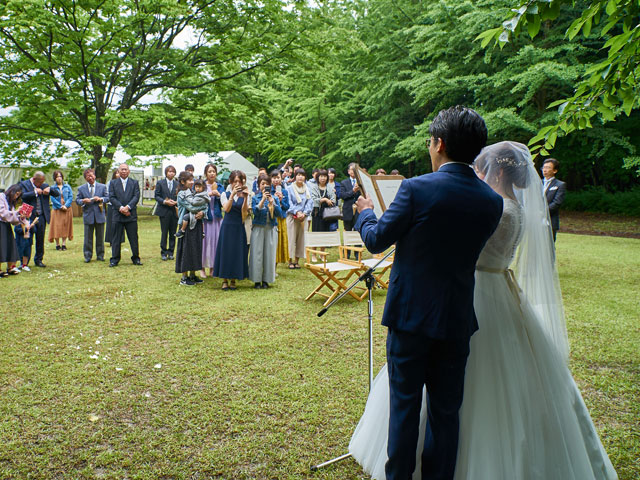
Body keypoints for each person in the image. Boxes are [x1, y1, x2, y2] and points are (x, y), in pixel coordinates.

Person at [349, 141, 618, 480]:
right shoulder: (509, 206)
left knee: (434, 389)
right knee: (456, 395)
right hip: (503, 292)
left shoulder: (494, 206)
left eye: (482, 168)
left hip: (469, 292)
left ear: (499, 171)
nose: (478, 173)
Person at [352, 106, 504, 480]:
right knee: (446, 413)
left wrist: (366, 211)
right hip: (456, 317)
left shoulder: (416, 187)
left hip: (410, 316)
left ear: (439, 143)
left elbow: (375, 241)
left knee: (404, 408)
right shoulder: (492, 201)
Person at [213, 170, 250, 290]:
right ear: (230, 182)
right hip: (227, 226)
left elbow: (244, 212)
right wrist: (232, 195)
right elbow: (227, 209)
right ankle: (224, 280)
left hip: (239, 226)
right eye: (235, 181)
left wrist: (245, 198)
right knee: (226, 251)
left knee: (237, 251)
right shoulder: (225, 193)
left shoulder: (244, 194)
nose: (237, 184)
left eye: (240, 181)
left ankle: (234, 279)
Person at [19, 171, 59, 267]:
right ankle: (24, 262)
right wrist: (35, 192)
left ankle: (39, 260)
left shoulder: (44, 185)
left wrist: (50, 189)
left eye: (42, 182)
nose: (41, 184)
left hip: (41, 216)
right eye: (39, 182)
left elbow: (56, 193)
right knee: (27, 240)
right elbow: (22, 196)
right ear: (34, 179)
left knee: (40, 239)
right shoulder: (24, 184)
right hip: (29, 216)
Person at [249, 174, 283, 288]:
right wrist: (263, 200)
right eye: (262, 184)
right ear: (258, 185)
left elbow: (279, 214)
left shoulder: (275, 198)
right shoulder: (255, 198)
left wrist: (272, 202)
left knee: (270, 254)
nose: (264, 186)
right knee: (257, 253)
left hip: (271, 228)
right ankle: (256, 280)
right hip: (258, 227)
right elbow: (255, 212)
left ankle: (266, 280)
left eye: (267, 184)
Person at [174, 172, 206, 286]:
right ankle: (184, 277)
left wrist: (203, 213)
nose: (192, 182)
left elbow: (203, 206)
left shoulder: (193, 192)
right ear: (183, 182)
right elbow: (191, 207)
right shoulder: (181, 194)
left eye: (192, 179)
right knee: (186, 250)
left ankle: (192, 275)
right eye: (189, 180)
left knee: (195, 249)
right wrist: (201, 209)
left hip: (196, 223)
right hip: (186, 225)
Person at [108, 163, 142, 267]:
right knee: (116, 238)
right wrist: (121, 208)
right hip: (117, 215)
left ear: (129, 171)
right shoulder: (113, 183)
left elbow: (136, 196)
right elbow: (112, 197)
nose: (124, 171)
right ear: (118, 171)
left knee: (133, 238)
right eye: (122, 169)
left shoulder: (134, 183)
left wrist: (128, 207)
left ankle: (136, 258)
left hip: (130, 215)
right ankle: (115, 259)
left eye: (125, 169)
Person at [76, 168, 108, 263]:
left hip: (99, 215)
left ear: (95, 176)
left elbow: (108, 198)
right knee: (88, 238)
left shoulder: (102, 187)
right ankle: (87, 256)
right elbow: (77, 200)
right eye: (88, 176)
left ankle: (100, 255)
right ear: (85, 178)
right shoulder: (81, 188)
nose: (90, 178)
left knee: (100, 237)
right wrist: (83, 201)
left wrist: (101, 199)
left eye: (92, 175)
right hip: (88, 215)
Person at [285, 168, 313, 269]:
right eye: (298, 175)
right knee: (291, 238)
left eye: (302, 175)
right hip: (292, 216)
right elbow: (289, 202)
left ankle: (297, 260)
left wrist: (304, 213)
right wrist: (297, 211)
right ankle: (290, 260)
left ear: (305, 177)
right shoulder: (289, 188)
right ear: (295, 176)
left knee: (301, 239)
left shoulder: (307, 189)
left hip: (303, 218)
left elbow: (310, 203)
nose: (300, 177)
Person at [201, 163, 224, 278]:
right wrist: (209, 194)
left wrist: (219, 195)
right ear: (206, 173)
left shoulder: (219, 186)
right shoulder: (202, 185)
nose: (212, 173)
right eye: (209, 171)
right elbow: (197, 198)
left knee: (215, 241)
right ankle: (202, 268)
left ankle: (212, 267)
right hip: (205, 217)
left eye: (214, 171)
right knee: (205, 242)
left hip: (217, 216)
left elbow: (225, 201)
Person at [0, 184, 29, 277]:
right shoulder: (1, 197)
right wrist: (16, 212)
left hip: (6, 226)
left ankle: (10, 267)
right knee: (1, 246)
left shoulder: (11, 202)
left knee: (10, 245)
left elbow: (13, 219)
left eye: (18, 195)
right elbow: (3, 213)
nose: (16, 197)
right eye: (16, 194)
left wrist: (21, 217)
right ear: (11, 191)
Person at [154, 165, 178, 261]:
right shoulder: (160, 183)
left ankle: (171, 252)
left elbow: (180, 196)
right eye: (169, 171)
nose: (171, 173)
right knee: (164, 232)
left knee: (173, 233)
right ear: (166, 173)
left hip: (174, 211)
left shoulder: (177, 184)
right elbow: (157, 196)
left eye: (173, 171)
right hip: (164, 211)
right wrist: (165, 201)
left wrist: (176, 202)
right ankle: (163, 252)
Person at [542, 158, 567, 242]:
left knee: (549, 246)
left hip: (550, 220)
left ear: (555, 170)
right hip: (535, 220)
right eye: (544, 167)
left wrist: (542, 211)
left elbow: (557, 203)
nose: (545, 170)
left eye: (548, 167)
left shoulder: (560, 185)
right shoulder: (537, 183)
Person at [270, 170, 290, 266]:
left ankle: (275, 266)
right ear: (270, 179)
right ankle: (270, 266)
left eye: (278, 177)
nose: (276, 180)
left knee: (279, 242)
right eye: (274, 178)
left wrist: (281, 200)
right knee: (271, 242)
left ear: (281, 179)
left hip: (281, 218)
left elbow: (287, 207)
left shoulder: (285, 191)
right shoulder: (268, 191)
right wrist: (273, 199)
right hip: (271, 218)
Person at [104, 169, 123, 247]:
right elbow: (108, 194)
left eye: (119, 173)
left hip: (121, 206)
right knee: (111, 223)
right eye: (117, 173)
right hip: (112, 205)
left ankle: (120, 240)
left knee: (120, 223)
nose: (118, 174)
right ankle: (111, 240)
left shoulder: (123, 183)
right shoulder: (110, 183)